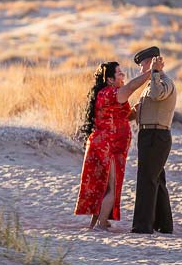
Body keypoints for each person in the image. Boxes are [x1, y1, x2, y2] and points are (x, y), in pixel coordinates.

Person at [74, 60, 154, 230]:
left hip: (105, 144)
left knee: (103, 185)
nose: (123, 75)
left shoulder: (110, 95)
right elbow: (132, 86)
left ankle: (95, 223)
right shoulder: (111, 92)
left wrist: (137, 109)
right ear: (110, 79)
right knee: (111, 186)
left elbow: (126, 117)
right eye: (119, 73)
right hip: (108, 146)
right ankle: (102, 224)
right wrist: (150, 72)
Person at [130, 46, 176, 234]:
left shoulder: (163, 81)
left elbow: (157, 95)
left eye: (143, 65)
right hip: (148, 135)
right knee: (156, 179)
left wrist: (155, 72)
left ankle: (142, 226)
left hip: (156, 136)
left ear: (152, 62)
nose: (141, 70)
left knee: (146, 180)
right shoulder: (151, 84)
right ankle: (164, 225)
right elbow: (142, 109)